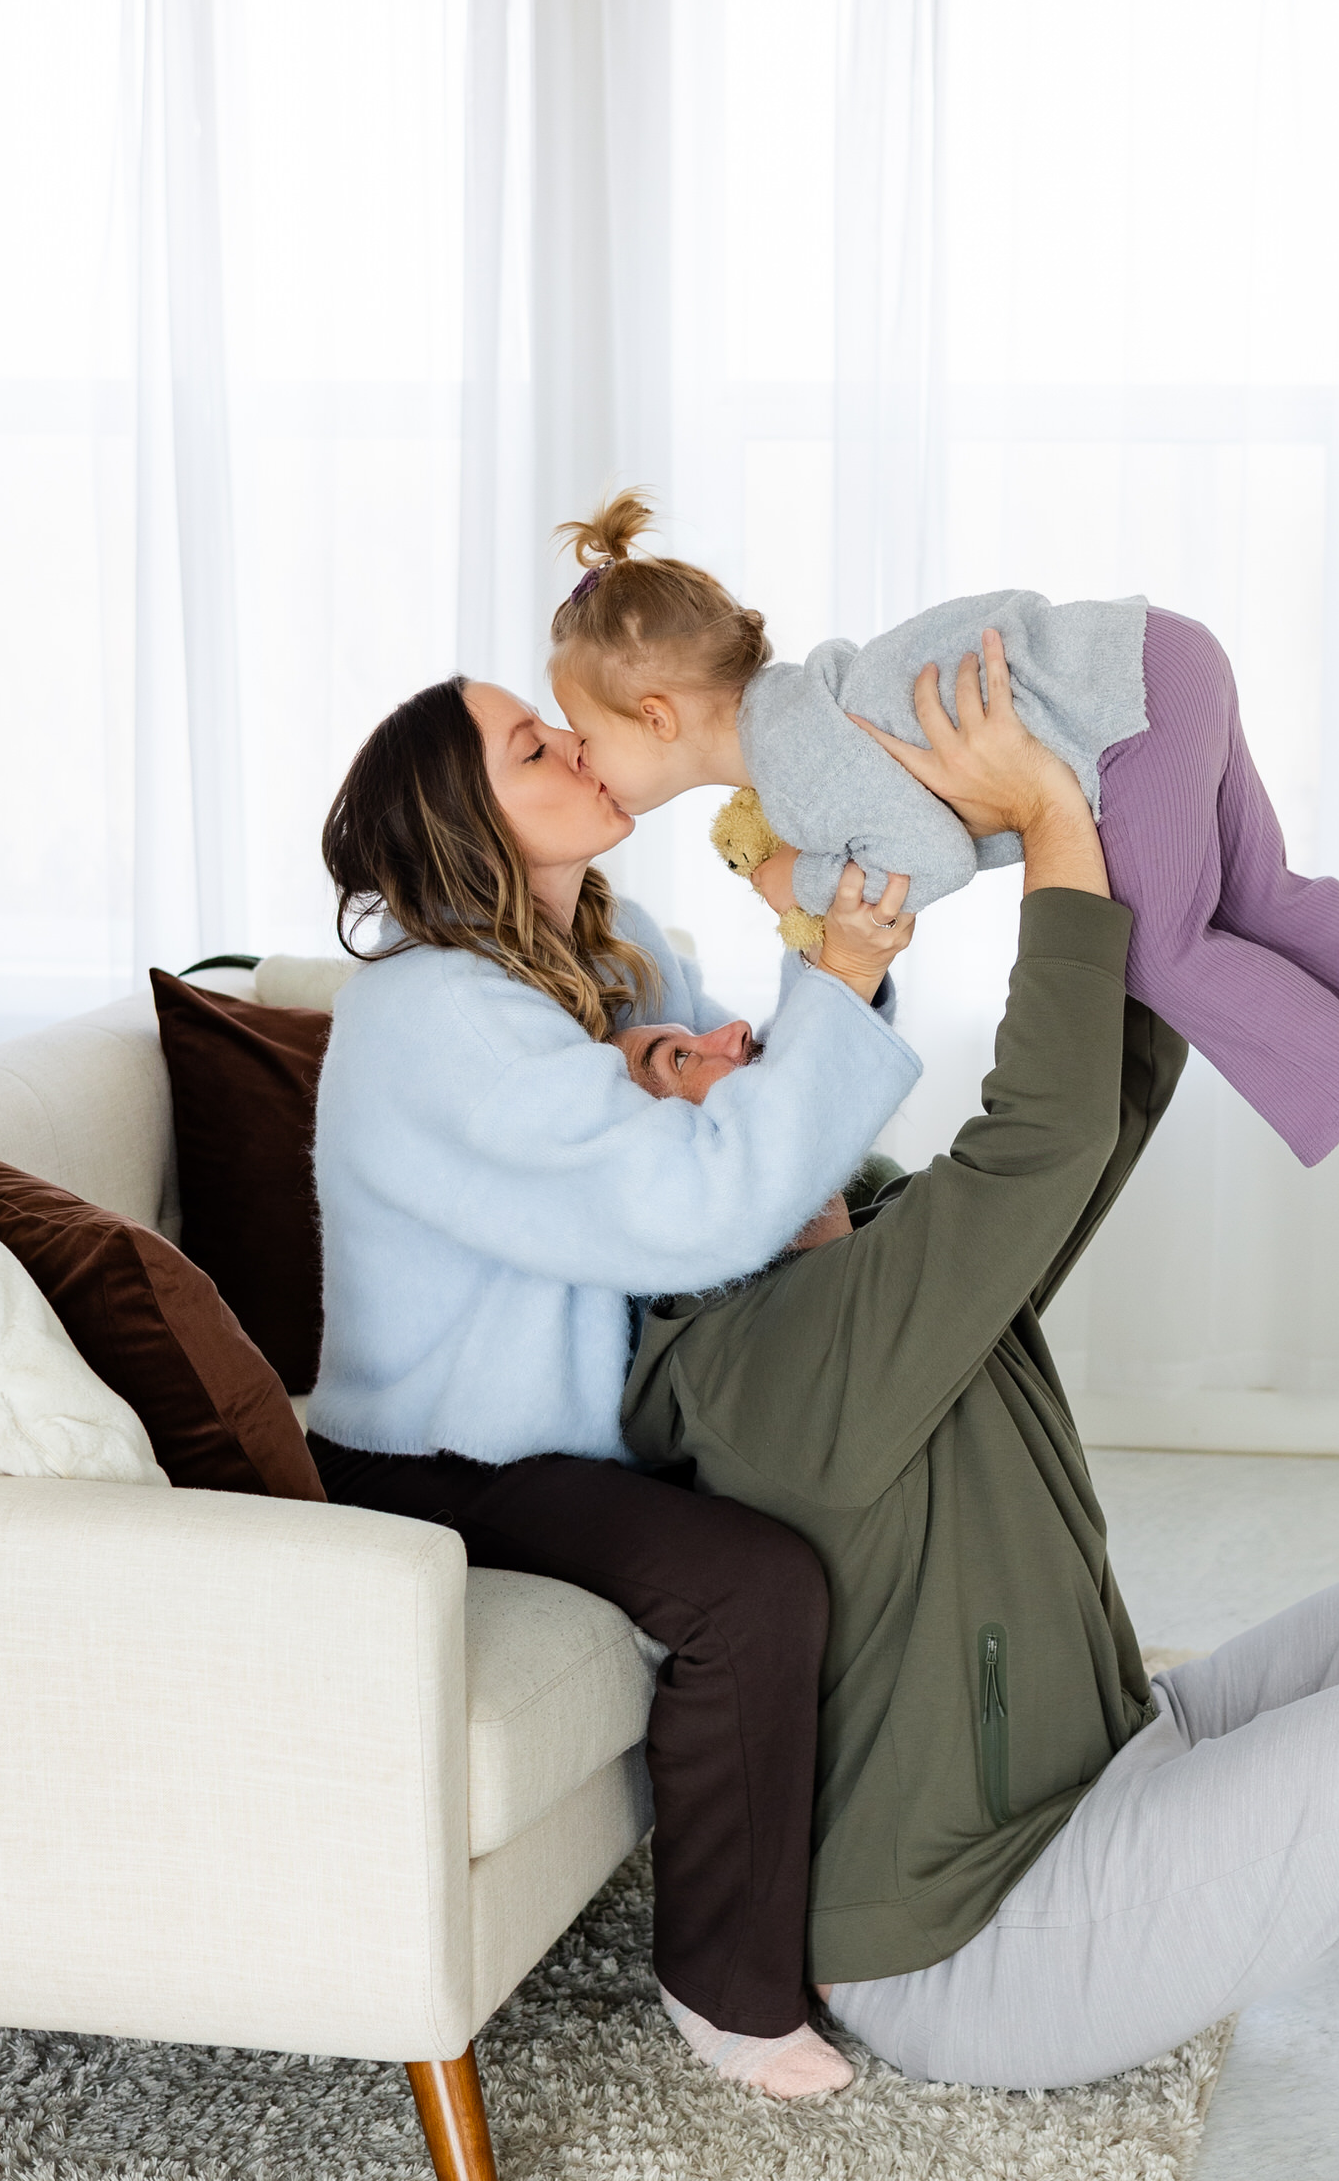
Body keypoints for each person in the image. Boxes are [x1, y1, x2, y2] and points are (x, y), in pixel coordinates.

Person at [618, 646, 1339, 2092]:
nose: (727, 1029)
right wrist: (1051, 832)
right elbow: (1044, 1134)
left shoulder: (870, 1253)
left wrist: (1117, 800)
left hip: (1106, 1755)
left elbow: (1110, 1093)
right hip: (979, 1936)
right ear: (658, 1189)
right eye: (672, 1059)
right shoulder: (762, 1371)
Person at [304, 672, 920, 2098]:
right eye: (534, 745)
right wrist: (804, 1019)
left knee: (873, 1487)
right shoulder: (428, 1018)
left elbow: (754, 1106)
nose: (578, 747)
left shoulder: (615, 938)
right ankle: (724, 1983)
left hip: (609, 1412)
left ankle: (873, 1893)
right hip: (449, 1456)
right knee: (752, 1587)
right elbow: (698, 1207)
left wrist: (756, 1038)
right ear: (466, 816)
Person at [549, 491, 1339, 1205]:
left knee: (1155, 950)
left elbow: (927, 857)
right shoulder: (796, 715)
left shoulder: (793, 767)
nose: (581, 762)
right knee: (1259, 897)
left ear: (656, 715)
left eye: (584, 738)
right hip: (1153, 662)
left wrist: (792, 879)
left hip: (1122, 718)